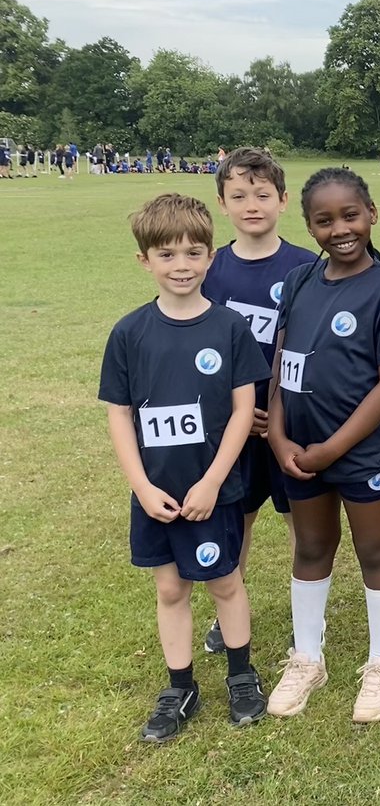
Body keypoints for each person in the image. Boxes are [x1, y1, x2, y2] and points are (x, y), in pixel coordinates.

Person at [98, 193, 271, 742]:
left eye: (193, 253)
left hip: (212, 490)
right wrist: (142, 487)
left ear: (211, 257)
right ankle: (181, 686)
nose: (181, 266)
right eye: (167, 255)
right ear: (144, 260)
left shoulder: (229, 330)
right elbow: (120, 416)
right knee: (170, 589)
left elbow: (245, 408)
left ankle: (242, 675)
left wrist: (215, 479)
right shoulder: (129, 334)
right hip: (156, 493)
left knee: (224, 580)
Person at [265, 167, 380, 723]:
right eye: (324, 220)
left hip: (361, 454)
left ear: (372, 214)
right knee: (310, 549)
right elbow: (285, 363)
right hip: (298, 451)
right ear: (309, 226)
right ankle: (307, 658)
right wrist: (280, 435)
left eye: (350, 215)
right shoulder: (303, 282)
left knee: (374, 551)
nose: (340, 229)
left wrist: (332, 449)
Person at [199, 147, 318, 656]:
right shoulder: (211, 269)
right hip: (232, 430)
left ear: (283, 201)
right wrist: (234, 414)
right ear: (222, 203)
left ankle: (305, 617)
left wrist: (278, 413)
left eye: (263, 194)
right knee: (235, 521)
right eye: (239, 195)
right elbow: (199, 348)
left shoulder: (305, 267)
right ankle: (229, 612)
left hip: (287, 422)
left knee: (302, 523)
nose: (252, 204)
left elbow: (313, 347)